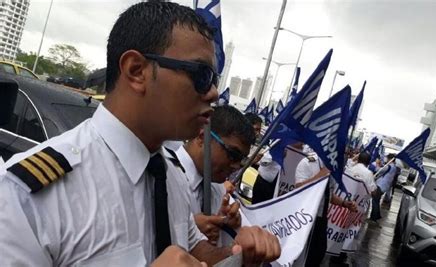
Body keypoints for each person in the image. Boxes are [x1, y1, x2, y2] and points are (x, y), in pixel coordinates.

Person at [0, 2, 278, 266]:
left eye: (215, 80)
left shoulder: (170, 173)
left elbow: (192, 250)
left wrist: (238, 254)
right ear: (136, 71)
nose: (214, 93)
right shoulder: (28, 195)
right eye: (202, 75)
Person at [170, 106, 254, 245]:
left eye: (242, 160)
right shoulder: (164, 177)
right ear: (202, 138)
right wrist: (186, 232)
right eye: (233, 154)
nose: (236, 166)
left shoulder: (218, 189)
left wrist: (230, 223)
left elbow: (247, 236)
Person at [294, 153, 357, 266]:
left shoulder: (333, 168)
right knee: (302, 254)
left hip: (321, 217)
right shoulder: (308, 163)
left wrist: (344, 203)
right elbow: (298, 188)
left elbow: (329, 194)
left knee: (319, 252)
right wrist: (320, 175)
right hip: (304, 217)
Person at [369, 153, 397, 222]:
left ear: (390, 159)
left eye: (387, 158)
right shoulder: (394, 167)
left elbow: (378, 170)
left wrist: (377, 164)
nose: (386, 160)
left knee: (375, 201)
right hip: (385, 187)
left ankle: (373, 218)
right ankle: (377, 216)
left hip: (380, 185)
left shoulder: (389, 166)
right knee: (377, 200)